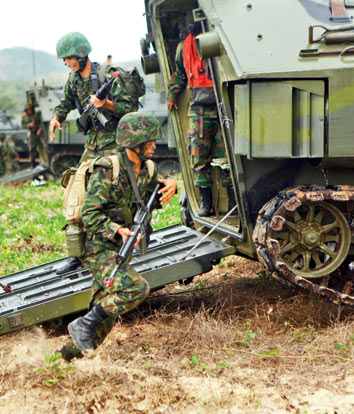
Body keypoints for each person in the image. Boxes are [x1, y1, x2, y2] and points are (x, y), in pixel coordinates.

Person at [60, 112, 177, 360]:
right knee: (135, 289)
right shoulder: (107, 170)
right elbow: (89, 214)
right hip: (97, 247)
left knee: (105, 313)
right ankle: (80, 326)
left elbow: (156, 192)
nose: (154, 145)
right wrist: (117, 230)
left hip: (121, 249)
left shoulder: (148, 169)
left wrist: (173, 184)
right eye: (149, 141)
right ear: (134, 143)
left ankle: (67, 357)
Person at [50, 32, 137, 275]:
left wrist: (106, 104)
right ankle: (78, 253)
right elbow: (65, 102)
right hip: (93, 142)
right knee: (77, 194)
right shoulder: (74, 79)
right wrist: (57, 117)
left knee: (120, 194)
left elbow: (130, 109)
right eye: (65, 60)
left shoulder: (109, 76)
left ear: (81, 54)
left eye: (69, 58)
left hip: (115, 141)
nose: (67, 63)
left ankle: (130, 239)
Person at [167, 21, 235, 217]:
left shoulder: (220, 38)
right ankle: (205, 204)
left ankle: (232, 204)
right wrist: (172, 94)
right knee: (198, 158)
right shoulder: (184, 48)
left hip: (223, 106)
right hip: (198, 109)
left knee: (228, 159)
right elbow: (180, 73)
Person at [21, 102, 49, 167]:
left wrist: (40, 129)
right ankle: (33, 163)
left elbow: (42, 123)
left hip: (40, 133)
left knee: (44, 146)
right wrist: (29, 125)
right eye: (28, 110)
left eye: (30, 109)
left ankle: (46, 160)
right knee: (32, 148)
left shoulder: (37, 115)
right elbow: (23, 125)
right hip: (32, 133)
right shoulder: (25, 117)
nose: (29, 111)